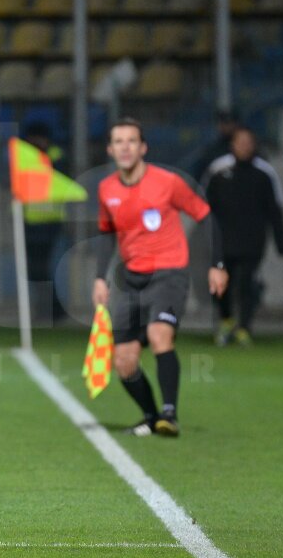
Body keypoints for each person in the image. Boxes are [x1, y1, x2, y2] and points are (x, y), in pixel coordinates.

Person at [93, 117, 228, 438]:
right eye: (119, 142)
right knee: (124, 362)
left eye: (131, 141)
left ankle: (170, 413)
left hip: (169, 273)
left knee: (158, 335)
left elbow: (206, 215)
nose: (125, 147)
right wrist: (101, 277)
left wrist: (217, 264)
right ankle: (151, 417)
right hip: (129, 279)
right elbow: (106, 233)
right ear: (110, 149)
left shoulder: (168, 183)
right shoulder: (106, 188)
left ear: (143, 148)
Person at [202, 127, 283, 345]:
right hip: (222, 240)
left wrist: (281, 242)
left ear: (254, 145)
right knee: (220, 283)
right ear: (233, 144)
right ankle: (226, 320)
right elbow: (202, 207)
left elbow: (275, 209)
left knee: (247, 283)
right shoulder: (218, 170)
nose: (244, 147)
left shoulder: (264, 173)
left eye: (248, 143)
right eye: (240, 142)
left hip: (252, 240)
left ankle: (244, 327)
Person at [20, 122, 70, 324]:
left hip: (51, 222)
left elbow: (53, 177)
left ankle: (53, 310)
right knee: (34, 270)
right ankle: (46, 309)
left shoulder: (56, 156)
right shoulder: (25, 157)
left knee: (46, 268)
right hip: (29, 221)